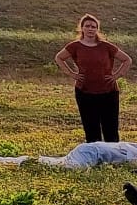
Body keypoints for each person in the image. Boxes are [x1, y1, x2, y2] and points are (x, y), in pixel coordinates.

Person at [53, 15, 132, 144]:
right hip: (84, 91)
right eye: (87, 26)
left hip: (108, 91)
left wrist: (116, 75)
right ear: (82, 28)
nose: (90, 29)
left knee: (110, 127)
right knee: (91, 127)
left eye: (93, 27)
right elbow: (59, 58)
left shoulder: (106, 46)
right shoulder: (75, 46)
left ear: (97, 29)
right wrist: (72, 73)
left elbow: (127, 60)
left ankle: (112, 156)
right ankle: (95, 156)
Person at [0, 140, 137, 169]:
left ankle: (1, 160)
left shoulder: (131, 147)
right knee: (64, 167)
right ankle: (11, 161)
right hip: (91, 153)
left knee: (55, 163)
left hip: (88, 150)